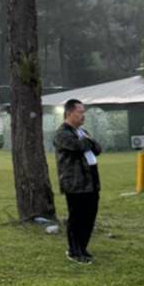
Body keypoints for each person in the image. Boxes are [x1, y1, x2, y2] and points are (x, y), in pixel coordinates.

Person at [53, 99, 102, 264]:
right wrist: (88, 141)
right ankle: (74, 251)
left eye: (83, 112)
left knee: (89, 216)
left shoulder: (82, 131)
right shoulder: (62, 133)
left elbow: (98, 148)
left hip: (91, 180)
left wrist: (88, 141)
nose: (83, 115)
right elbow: (79, 146)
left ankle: (83, 247)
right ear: (69, 113)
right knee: (77, 217)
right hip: (75, 182)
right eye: (80, 112)